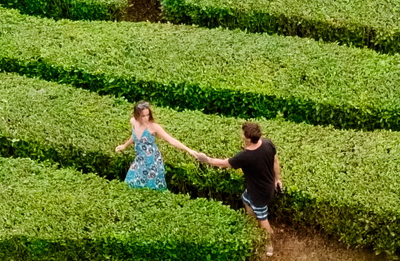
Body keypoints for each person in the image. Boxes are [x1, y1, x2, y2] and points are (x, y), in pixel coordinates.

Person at [195, 121, 281, 250]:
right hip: (265, 187)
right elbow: (275, 161)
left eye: (243, 135)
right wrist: (277, 180)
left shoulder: (245, 156)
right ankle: (251, 225)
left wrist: (206, 159)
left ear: (248, 138)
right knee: (245, 199)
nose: (241, 136)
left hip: (259, 194)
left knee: (263, 219)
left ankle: (269, 245)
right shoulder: (267, 143)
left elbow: (223, 164)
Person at [112, 101, 196, 191]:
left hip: (152, 161)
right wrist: (125, 145)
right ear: (137, 115)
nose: (146, 118)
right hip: (139, 159)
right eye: (143, 116)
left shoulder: (153, 127)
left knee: (152, 187)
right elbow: (135, 136)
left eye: (147, 115)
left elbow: (170, 140)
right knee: (131, 183)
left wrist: (188, 150)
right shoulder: (133, 122)